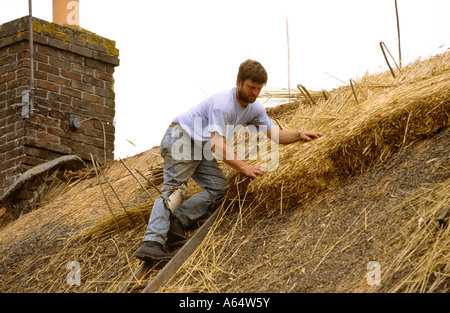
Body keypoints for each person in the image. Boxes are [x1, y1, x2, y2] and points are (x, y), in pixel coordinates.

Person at [136, 59, 324, 261]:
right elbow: (217, 144)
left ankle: (177, 222)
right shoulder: (223, 105)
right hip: (182, 138)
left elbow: (274, 134)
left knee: (219, 189)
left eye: (259, 89)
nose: (254, 93)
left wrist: (299, 134)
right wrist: (244, 167)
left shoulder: (254, 108)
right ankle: (151, 243)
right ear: (239, 81)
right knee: (175, 190)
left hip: (202, 145)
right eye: (251, 87)